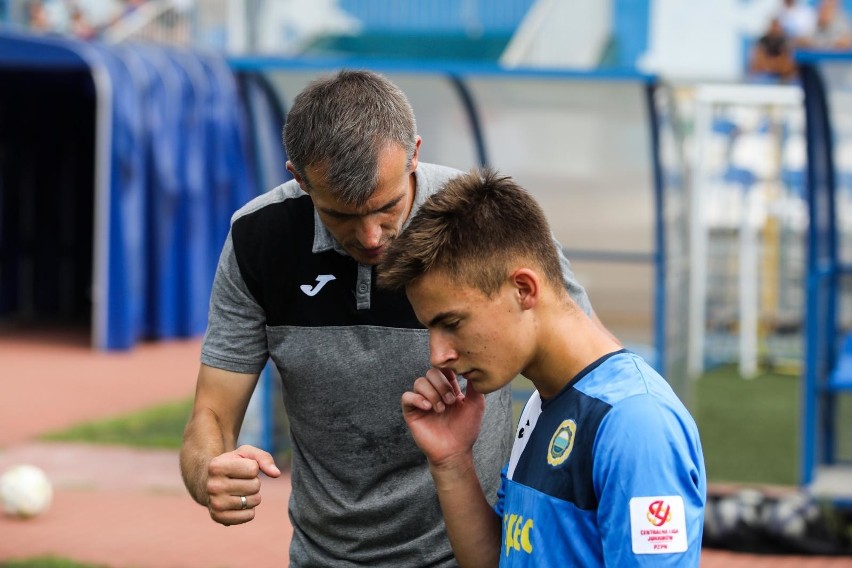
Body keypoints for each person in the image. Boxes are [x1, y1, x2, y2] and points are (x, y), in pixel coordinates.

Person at [179, 70, 608, 567]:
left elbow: (587, 373)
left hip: (474, 553)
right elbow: (210, 415)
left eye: (387, 207)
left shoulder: (481, 223)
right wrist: (210, 469)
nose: (370, 237)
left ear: (415, 154)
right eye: (340, 215)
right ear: (299, 178)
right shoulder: (259, 240)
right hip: (322, 557)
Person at [378, 169, 706, 566]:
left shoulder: (635, 421)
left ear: (524, 289)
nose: (438, 354)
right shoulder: (542, 402)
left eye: (452, 323)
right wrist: (452, 462)